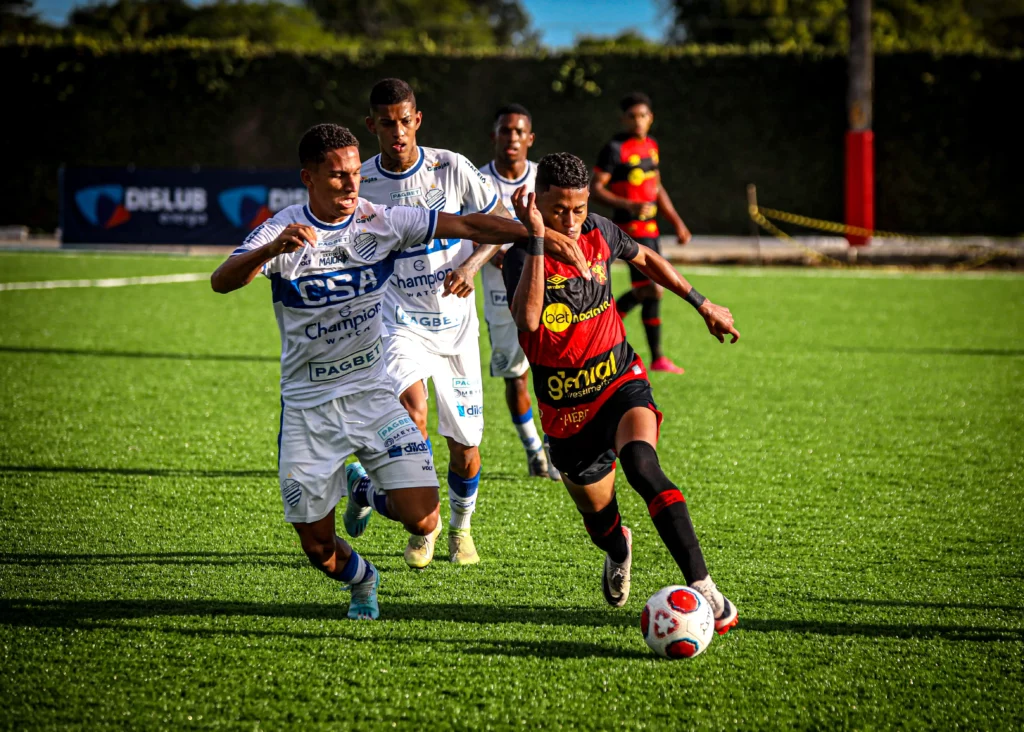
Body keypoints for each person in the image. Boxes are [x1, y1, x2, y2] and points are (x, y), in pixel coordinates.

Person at [209, 124, 581, 620]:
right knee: (319, 548)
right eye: (336, 176)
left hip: (371, 394)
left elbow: (470, 226)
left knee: (425, 520)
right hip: (308, 408)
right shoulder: (282, 229)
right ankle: (363, 578)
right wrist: (270, 251)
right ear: (308, 178)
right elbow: (222, 280)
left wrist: (541, 236)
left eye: (353, 175)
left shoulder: (381, 221)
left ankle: (363, 489)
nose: (349, 185)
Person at [354, 79, 589, 568]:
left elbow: (496, 221)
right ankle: (427, 525)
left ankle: (459, 528)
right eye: (385, 123)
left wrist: (471, 265)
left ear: (417, 119)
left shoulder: (451, 167)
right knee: (412, 416)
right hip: (398, 320)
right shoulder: (364, 182)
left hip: (456, 328)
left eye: (404, 121)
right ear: (371, 125)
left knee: (466, 450)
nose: (396, 132)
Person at [502, 152, 740, 634]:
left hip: (618, 380)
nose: (571, 221)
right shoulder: (521, 256)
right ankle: (618, 548)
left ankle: (705, 586)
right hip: (565, 410)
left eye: (578, 208)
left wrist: (702, 303)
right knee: (602, 523)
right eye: (558, 210)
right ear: (536, 202)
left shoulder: (599, 231)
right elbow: (529, 321)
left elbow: (646, 257)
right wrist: (538, 238)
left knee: (642, 465)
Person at [478, 103, 559, 481]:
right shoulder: (477, 181)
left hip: (550, 289)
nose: (512, 137)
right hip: (500, 296)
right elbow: (470, 233)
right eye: (505, 131)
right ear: (495, 136)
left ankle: (555, 450)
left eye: (518, 131)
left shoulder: (545, 177)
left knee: (554, 370)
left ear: (530, 138)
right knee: (516, 377)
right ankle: (533, 450)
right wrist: (495, 255)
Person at [592, 91, 692, 375]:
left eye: (643, 115)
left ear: (651, 118)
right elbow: (596, 187)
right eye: (632, 116)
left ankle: (657, 357)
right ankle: (605, 334)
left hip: (652, 231)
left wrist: (677, 222)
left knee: (652, 292)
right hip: (628, 231)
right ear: (624, 119)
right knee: (653, 289)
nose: (638, 121)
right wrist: (629, 206)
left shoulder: (651, 146)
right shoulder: (614, 149)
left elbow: (657, 187)